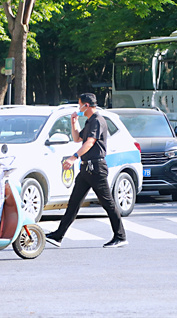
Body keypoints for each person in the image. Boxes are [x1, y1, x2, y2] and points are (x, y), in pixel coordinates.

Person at [45, 93, 127, 248]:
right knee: (74, 203)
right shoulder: (90, 121)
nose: (79, 107)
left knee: (108, 203)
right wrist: (73, 121)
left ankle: (120, 236)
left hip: (96, 168)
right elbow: (77, 138)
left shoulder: (98, 120)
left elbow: (89, 143)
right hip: (86, 169)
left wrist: (73, 157)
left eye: (80, 104)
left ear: (86, 105)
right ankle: (58, 236)